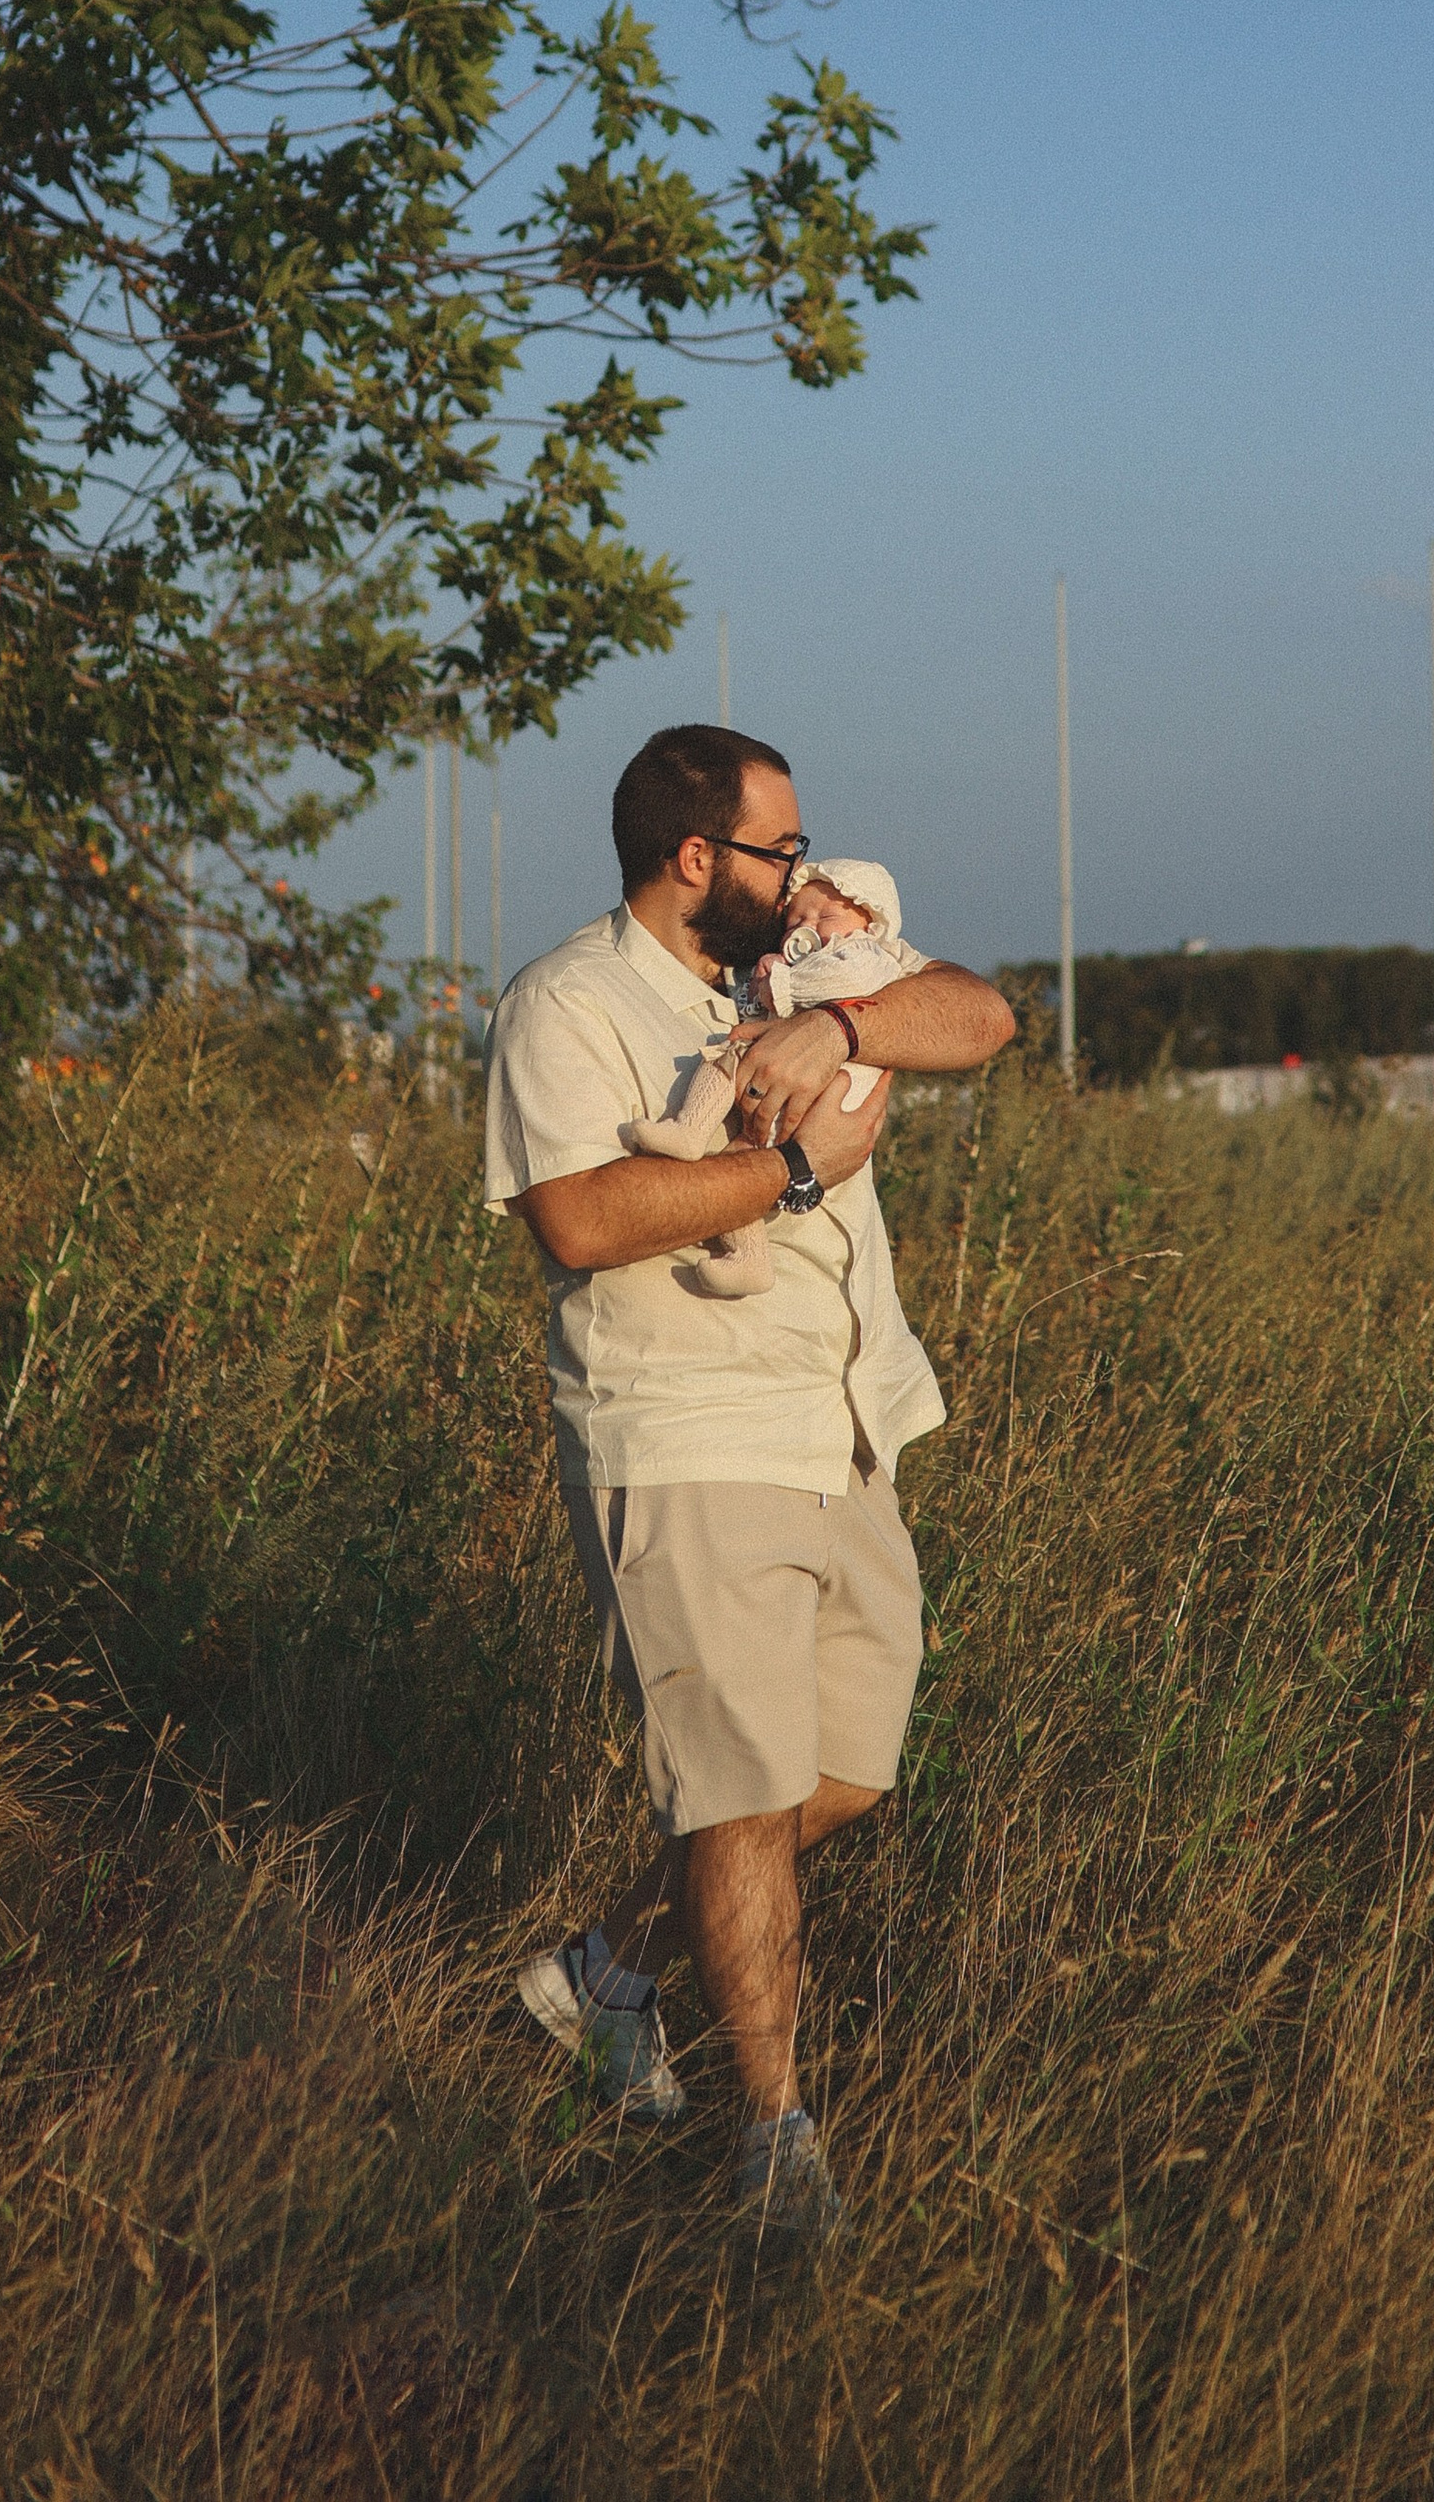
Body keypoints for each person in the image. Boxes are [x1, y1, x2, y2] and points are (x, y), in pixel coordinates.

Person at [486, 724, 1015, 2245]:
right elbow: (579, 1220)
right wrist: (787, 1175)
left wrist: (843, 1037)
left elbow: (983, 1017)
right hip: (686, 1431)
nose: (806, 872)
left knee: (841, 1772)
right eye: (779, 849)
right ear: (694, 855)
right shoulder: (570, 1002)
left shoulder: (798, 974)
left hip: (840, 1419)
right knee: (734, 1791)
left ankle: (600, 1979)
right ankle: (776, 2144)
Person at [624, 855, 921, 1296]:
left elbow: (847, 981)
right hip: (787, 1089)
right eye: (797, 917)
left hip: (830, 1090)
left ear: (868, 918)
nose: (809, 926)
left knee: (729, 1061)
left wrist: (781, 985)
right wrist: (766, 981)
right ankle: (747, 1253)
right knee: (734, 1168)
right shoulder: (793, 960)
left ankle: (691, 1130)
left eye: (827, 915)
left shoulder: (865, 953)